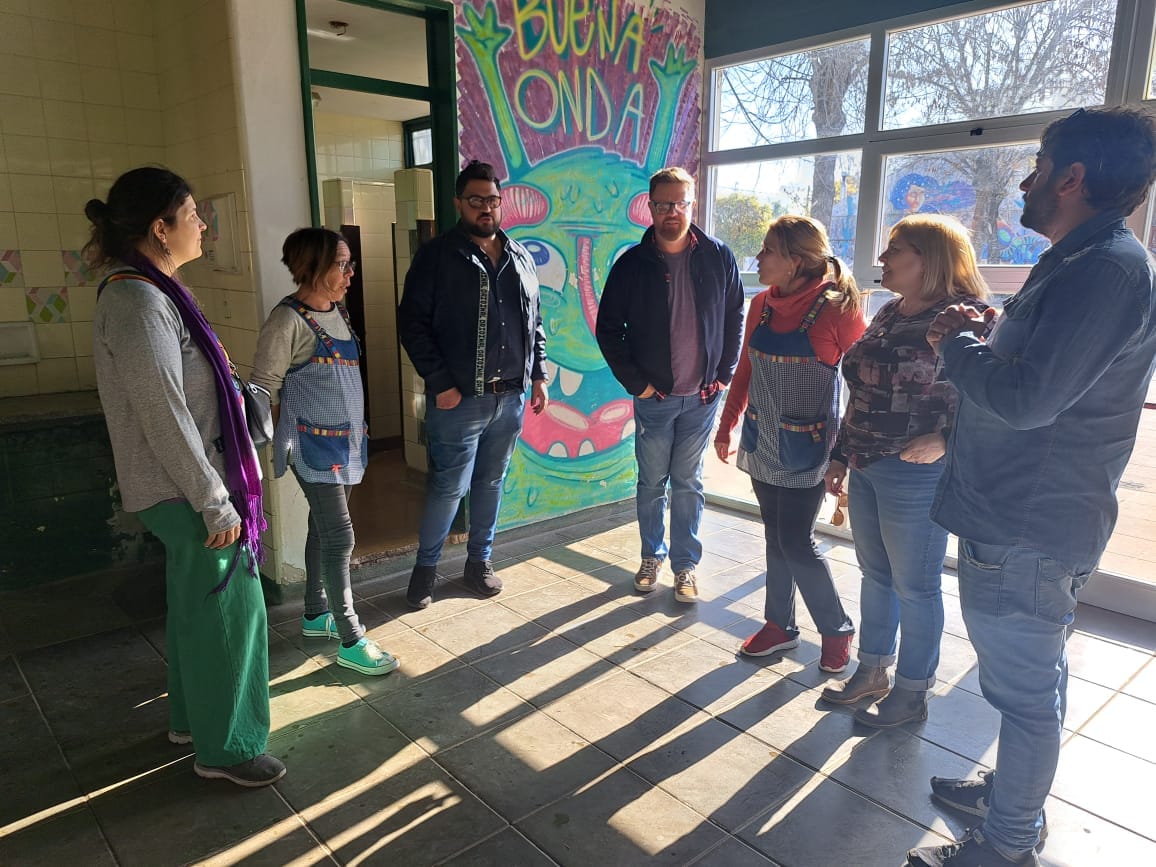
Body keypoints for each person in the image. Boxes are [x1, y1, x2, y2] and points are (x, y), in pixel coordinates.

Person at [907, 106, 1156, 867]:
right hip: (1022, 518)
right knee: (1033, 681)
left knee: (1023, 694)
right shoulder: (1081, 260)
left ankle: (1008, 841)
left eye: (1039, 167)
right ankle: (1014, 799)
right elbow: (1043, 369)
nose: (1026, 181)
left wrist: (955, 342)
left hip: (1027, 526)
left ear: (1073, 177)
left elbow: (1026, 400)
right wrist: (987, 331)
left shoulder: (1106, 269)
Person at [88, 167, 284, 788]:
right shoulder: (138, 301)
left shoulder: (157, 291)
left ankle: (192, 723)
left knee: (198, 609)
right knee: (232, 613)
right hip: (186, 492)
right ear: (160, 228)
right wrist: (215, 502)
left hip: (188, 487)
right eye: (193, 214)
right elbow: (164, 414)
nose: (203, 225)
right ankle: (228, 750)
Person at [821, 215, 990, 727]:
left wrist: (946, 440)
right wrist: (840, 454)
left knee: (916, 586)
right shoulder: (891, 311)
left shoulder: (968, 317)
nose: (882, 259)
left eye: (895, 249)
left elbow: (991, 400)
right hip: (868, 463)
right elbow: (862, 391)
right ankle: (873, 670)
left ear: (930, 258)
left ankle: (913, 691)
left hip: (916, 472)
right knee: (876, 574)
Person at [714, 216, 866, 671]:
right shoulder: (761, 303)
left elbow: (864, 386)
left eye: (768, 251)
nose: (759, 258)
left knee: (797, 542)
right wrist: (727, 424)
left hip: (809, 449)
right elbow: (746, 368)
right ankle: (779, 625)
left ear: (795, 261)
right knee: (775, 537)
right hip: (761, 440)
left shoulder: (838, 309)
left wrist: (844, 454)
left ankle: (836, 629)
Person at [398, 161, 549, 609]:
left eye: (493, 200)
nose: (486, 208)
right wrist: (441, 383)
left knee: (491, 483)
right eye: (476, 200)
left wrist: (538, 374)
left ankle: (478, 563)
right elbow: (412, 325)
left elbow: (536, 322)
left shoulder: (520, 256)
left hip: (511, 397)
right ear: (459, 203)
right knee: (449, 487)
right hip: (459, 399)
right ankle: (425, 571)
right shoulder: (437, 257)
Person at [251, 228, 398, 676]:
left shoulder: (338, 312)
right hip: (311, 445)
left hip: (345, 442)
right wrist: (277, 442)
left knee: (322, 527)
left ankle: (316, 614)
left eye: (351, 264)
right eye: (342, 264)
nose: (351, 273)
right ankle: (351, 638)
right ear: (311, 266)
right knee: (340, 537)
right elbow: (263, 389)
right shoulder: (287, 321)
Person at [596, 166, 744, 602]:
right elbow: (608, 330)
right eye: (663, 204)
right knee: (651, 483)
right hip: (655, 398)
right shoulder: (632, 265)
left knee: (688, 482)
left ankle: (685, 567)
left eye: (680, 203)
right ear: (650, 207)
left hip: (702, 397)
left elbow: (735, 314)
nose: (672, 212)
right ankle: (651, 556)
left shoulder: (718, 256)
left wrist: (724, 374)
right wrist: (638, 384)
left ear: (692, 204)